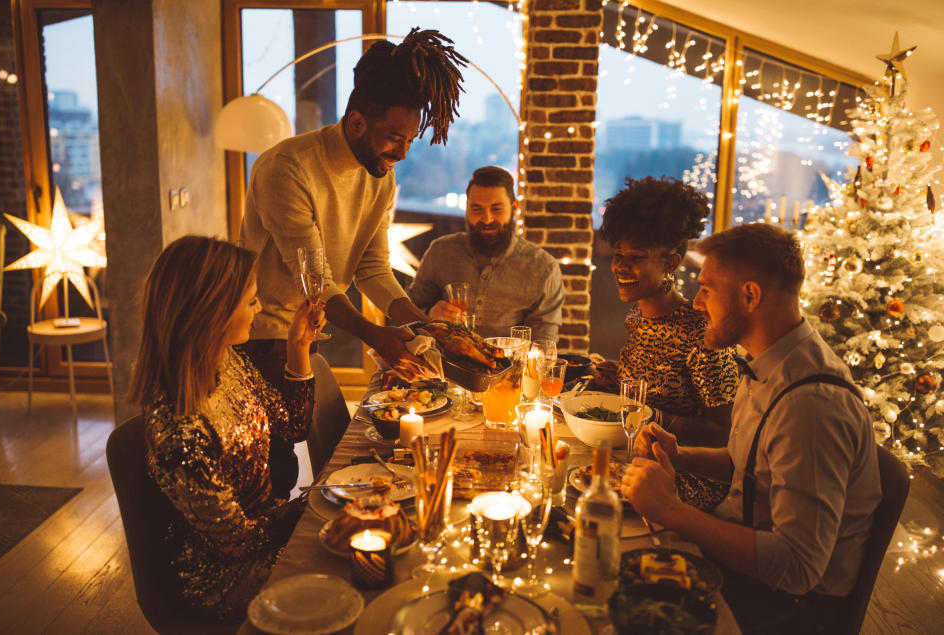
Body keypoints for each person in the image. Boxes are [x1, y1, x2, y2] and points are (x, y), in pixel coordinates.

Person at [622, 223, 881, 634]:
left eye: (707, 288)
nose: (696, 301)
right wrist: (678, 455)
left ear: (750, 295)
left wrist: (671, 510)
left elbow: (797, 567)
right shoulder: (767, 361)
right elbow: (751, 465)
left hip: (783, 608)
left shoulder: (810, 406)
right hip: (740, 564)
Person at [240, 28, 466, 495]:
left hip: (304, 332)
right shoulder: (288, 169)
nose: (402, 153)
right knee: (269, 467)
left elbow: (373, 267)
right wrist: (379, 337)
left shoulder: (378, 177)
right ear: (358, 121)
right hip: (257, 334)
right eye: (393, 138)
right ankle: (264, 561)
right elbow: (315, 281)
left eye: (410, 140)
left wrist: (421, 324)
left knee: (288, 453)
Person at [128, 236, 325, 623]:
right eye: (251, 300)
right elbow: (237, 543)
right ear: (213, 309)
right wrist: (318, 503)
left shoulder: (226, 359)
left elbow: (292, 427)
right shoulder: (178, 430)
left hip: (266, 531)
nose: (260, 308)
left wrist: (298, 345)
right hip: (219, 577)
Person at [590, 176, 738, 511]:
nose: (620, 267)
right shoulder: (637, 317)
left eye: (636, 257)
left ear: (670, 263)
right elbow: (654, 381)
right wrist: (619, 377)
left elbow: (722, 433)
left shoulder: (703, 333)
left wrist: (651, 414)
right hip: (634, 457)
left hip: (684, 482)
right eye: (618, 254)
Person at [406, 166, 564, 341]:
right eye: (477, 209)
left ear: (515, 208)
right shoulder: (441, 252)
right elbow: (404, 315)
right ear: (466, 208)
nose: (487, 219)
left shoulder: (543, 268)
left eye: (496, 209)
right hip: (441, 366)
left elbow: (543, 344)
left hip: (509, 367)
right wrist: (429, 315)